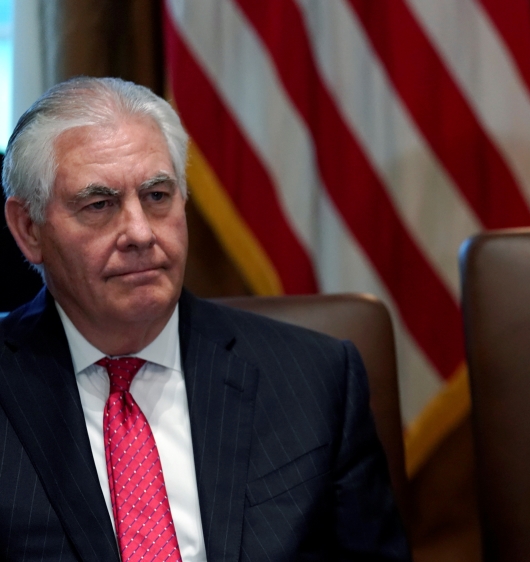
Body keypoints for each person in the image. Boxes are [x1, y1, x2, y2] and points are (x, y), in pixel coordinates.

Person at [0, 77, 409, 561]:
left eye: (157, 196)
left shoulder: (317, 381)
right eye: (99, 205)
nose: (139, 233)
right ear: (29, 229)